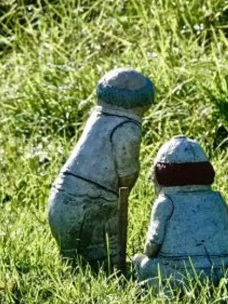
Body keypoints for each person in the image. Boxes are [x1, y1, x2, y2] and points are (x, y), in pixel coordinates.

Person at [47, 68, 154, 269]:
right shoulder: (128, 127)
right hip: (91, 203)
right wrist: (127, 184)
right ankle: (113, 268)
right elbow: (126, 171)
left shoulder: (97, 118)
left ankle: (79, 269)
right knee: (105, 258)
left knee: (76, 260)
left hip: (60, 195)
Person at [133, 136, 228, 290]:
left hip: (183, 274)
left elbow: (152, 245)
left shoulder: (166, 202)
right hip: (226, 274)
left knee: (140, 261)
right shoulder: (217, 199)